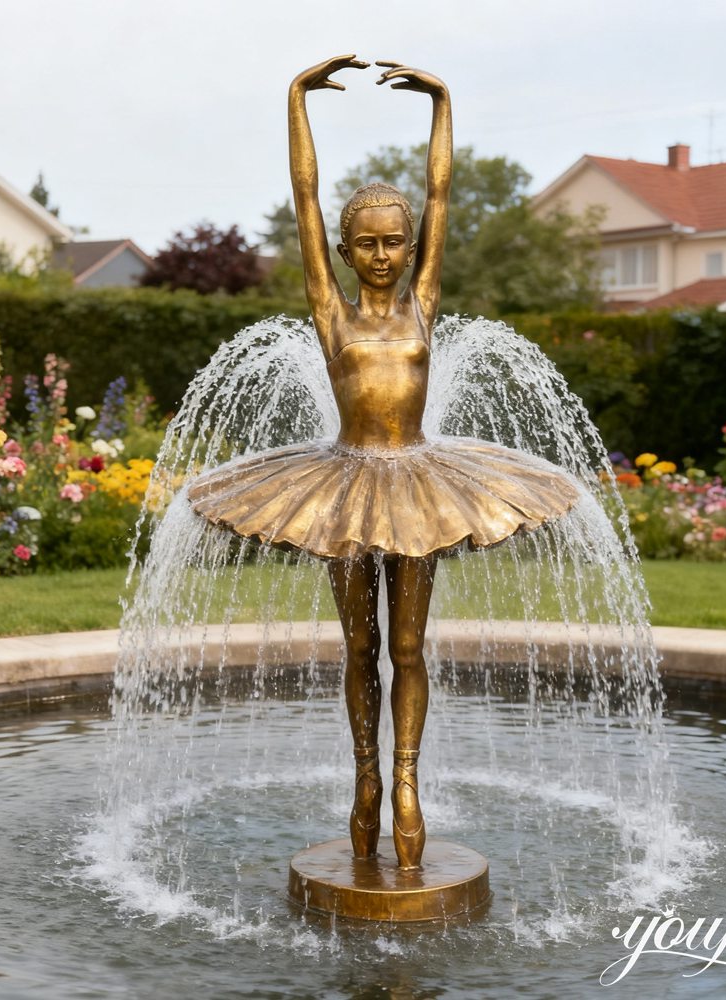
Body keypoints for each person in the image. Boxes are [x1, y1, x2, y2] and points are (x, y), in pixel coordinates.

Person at [188, 56, 578, 870]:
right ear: (343, 249)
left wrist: (443, 103)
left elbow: (440, 195)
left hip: (418, 483)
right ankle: (365, 775)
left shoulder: (421, 308)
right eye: (364, 243)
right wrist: (296, 98)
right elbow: (304, 197)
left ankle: (406, 780)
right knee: (358, 649)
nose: (380, 254)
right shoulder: (331, 316)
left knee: (409, 649)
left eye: (393, 243)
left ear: (409, 249)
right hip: (342, 482)